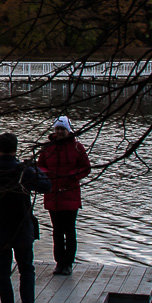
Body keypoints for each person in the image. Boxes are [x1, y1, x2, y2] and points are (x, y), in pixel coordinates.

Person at [0, 132, 50, 303]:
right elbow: (46, 186)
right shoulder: (23, 172)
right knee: (27, 269)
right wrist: (34, 168)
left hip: (0, 228)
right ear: (16, 148)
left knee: (2, 273)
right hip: (22, 228)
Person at [37, 115, 92, 275]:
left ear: (68, 130)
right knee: (56, 230)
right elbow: (41, 166)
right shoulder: (48, 147)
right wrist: (49, 175)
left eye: (63, 129)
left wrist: (71, 176)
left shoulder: (77, 147)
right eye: (58, 129)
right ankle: (59, 262)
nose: (60, 132)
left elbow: (85, 168)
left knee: (69, 230)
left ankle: (68, 263)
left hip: (70, 194)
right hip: (53, 194)